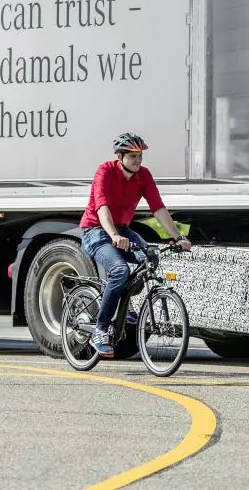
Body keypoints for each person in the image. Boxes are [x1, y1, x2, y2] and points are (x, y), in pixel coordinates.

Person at [78, 132, 192, 357]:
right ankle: (100, 330)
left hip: (122, 229)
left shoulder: (144, 175)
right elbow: (102, 207)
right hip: (96, 230)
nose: (138, 160)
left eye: (140, 156)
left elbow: (158, 208)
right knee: (120, 270)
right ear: (120, 157)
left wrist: (178, 237)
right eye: (132, 156)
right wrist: (113, 235)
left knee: (150, 259)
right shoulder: (105, 171)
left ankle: (124, 303)